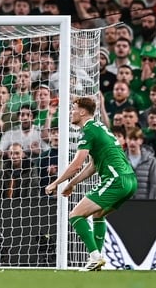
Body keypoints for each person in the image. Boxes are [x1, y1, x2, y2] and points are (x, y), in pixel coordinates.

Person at [45, 97, 138, 271]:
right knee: (98, 215)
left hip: (115, 180)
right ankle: (97, 261)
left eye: (73, 109)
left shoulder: (89, 131)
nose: (71, 113)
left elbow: (77, 164)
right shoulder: (100, 127)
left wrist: (56, 183)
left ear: (82, 112)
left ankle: (95, 257)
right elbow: (92, 166)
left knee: (75, 215)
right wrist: (72, 183)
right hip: (130, 181)